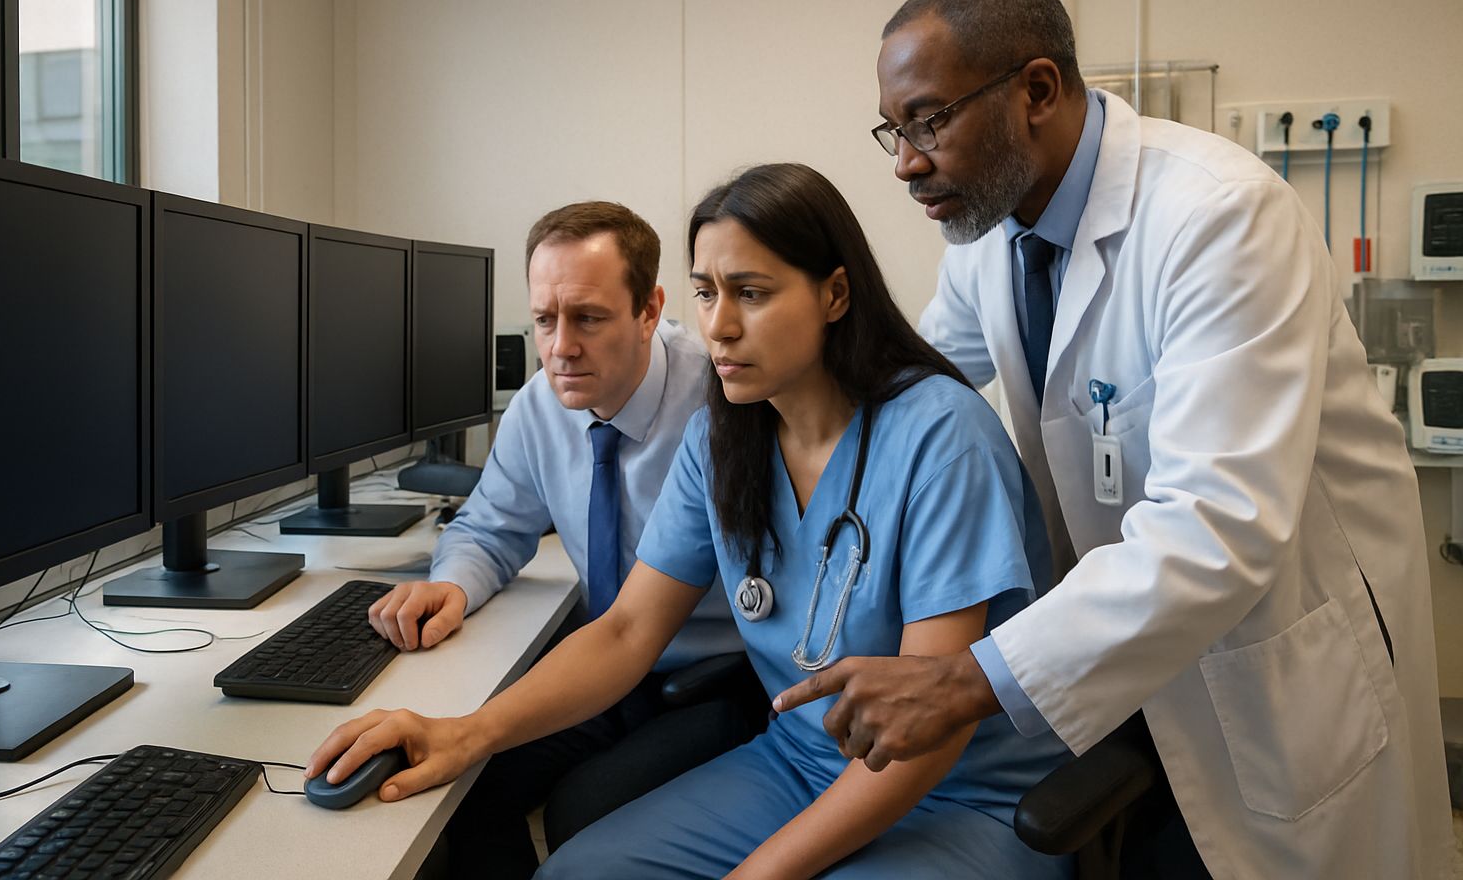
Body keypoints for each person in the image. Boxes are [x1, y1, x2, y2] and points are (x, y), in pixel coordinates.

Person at [775, 0, 1452, 878]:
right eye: (893, 131)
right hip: (1122, 654)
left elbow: (1220, 522)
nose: (905, 162)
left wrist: (963, 679)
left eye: (929, 120)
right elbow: (905, 387)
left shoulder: (1218, 217)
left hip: (1276, 642)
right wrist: (749, 362)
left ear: (1038, 91)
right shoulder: (992, 242)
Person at [307, 163, 1075, 878]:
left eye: (753, 292)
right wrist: (461, 734)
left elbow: (927, 730)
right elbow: (626, 630)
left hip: (958, 791)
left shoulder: (939, 435)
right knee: (574, 872)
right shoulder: (724, 433)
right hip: (800, 763)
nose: (720, 326)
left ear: (835, 295)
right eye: (707, 292)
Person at [366, 201, 756, 877]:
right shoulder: (539, 407)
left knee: (585, 809)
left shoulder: (722, 405)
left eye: (588, 318)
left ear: (650, 309)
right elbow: (490, 528)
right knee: (467, 788)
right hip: (599, 668)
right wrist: (452, 585)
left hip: (714, 676)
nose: (560, 347)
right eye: (545, 319)